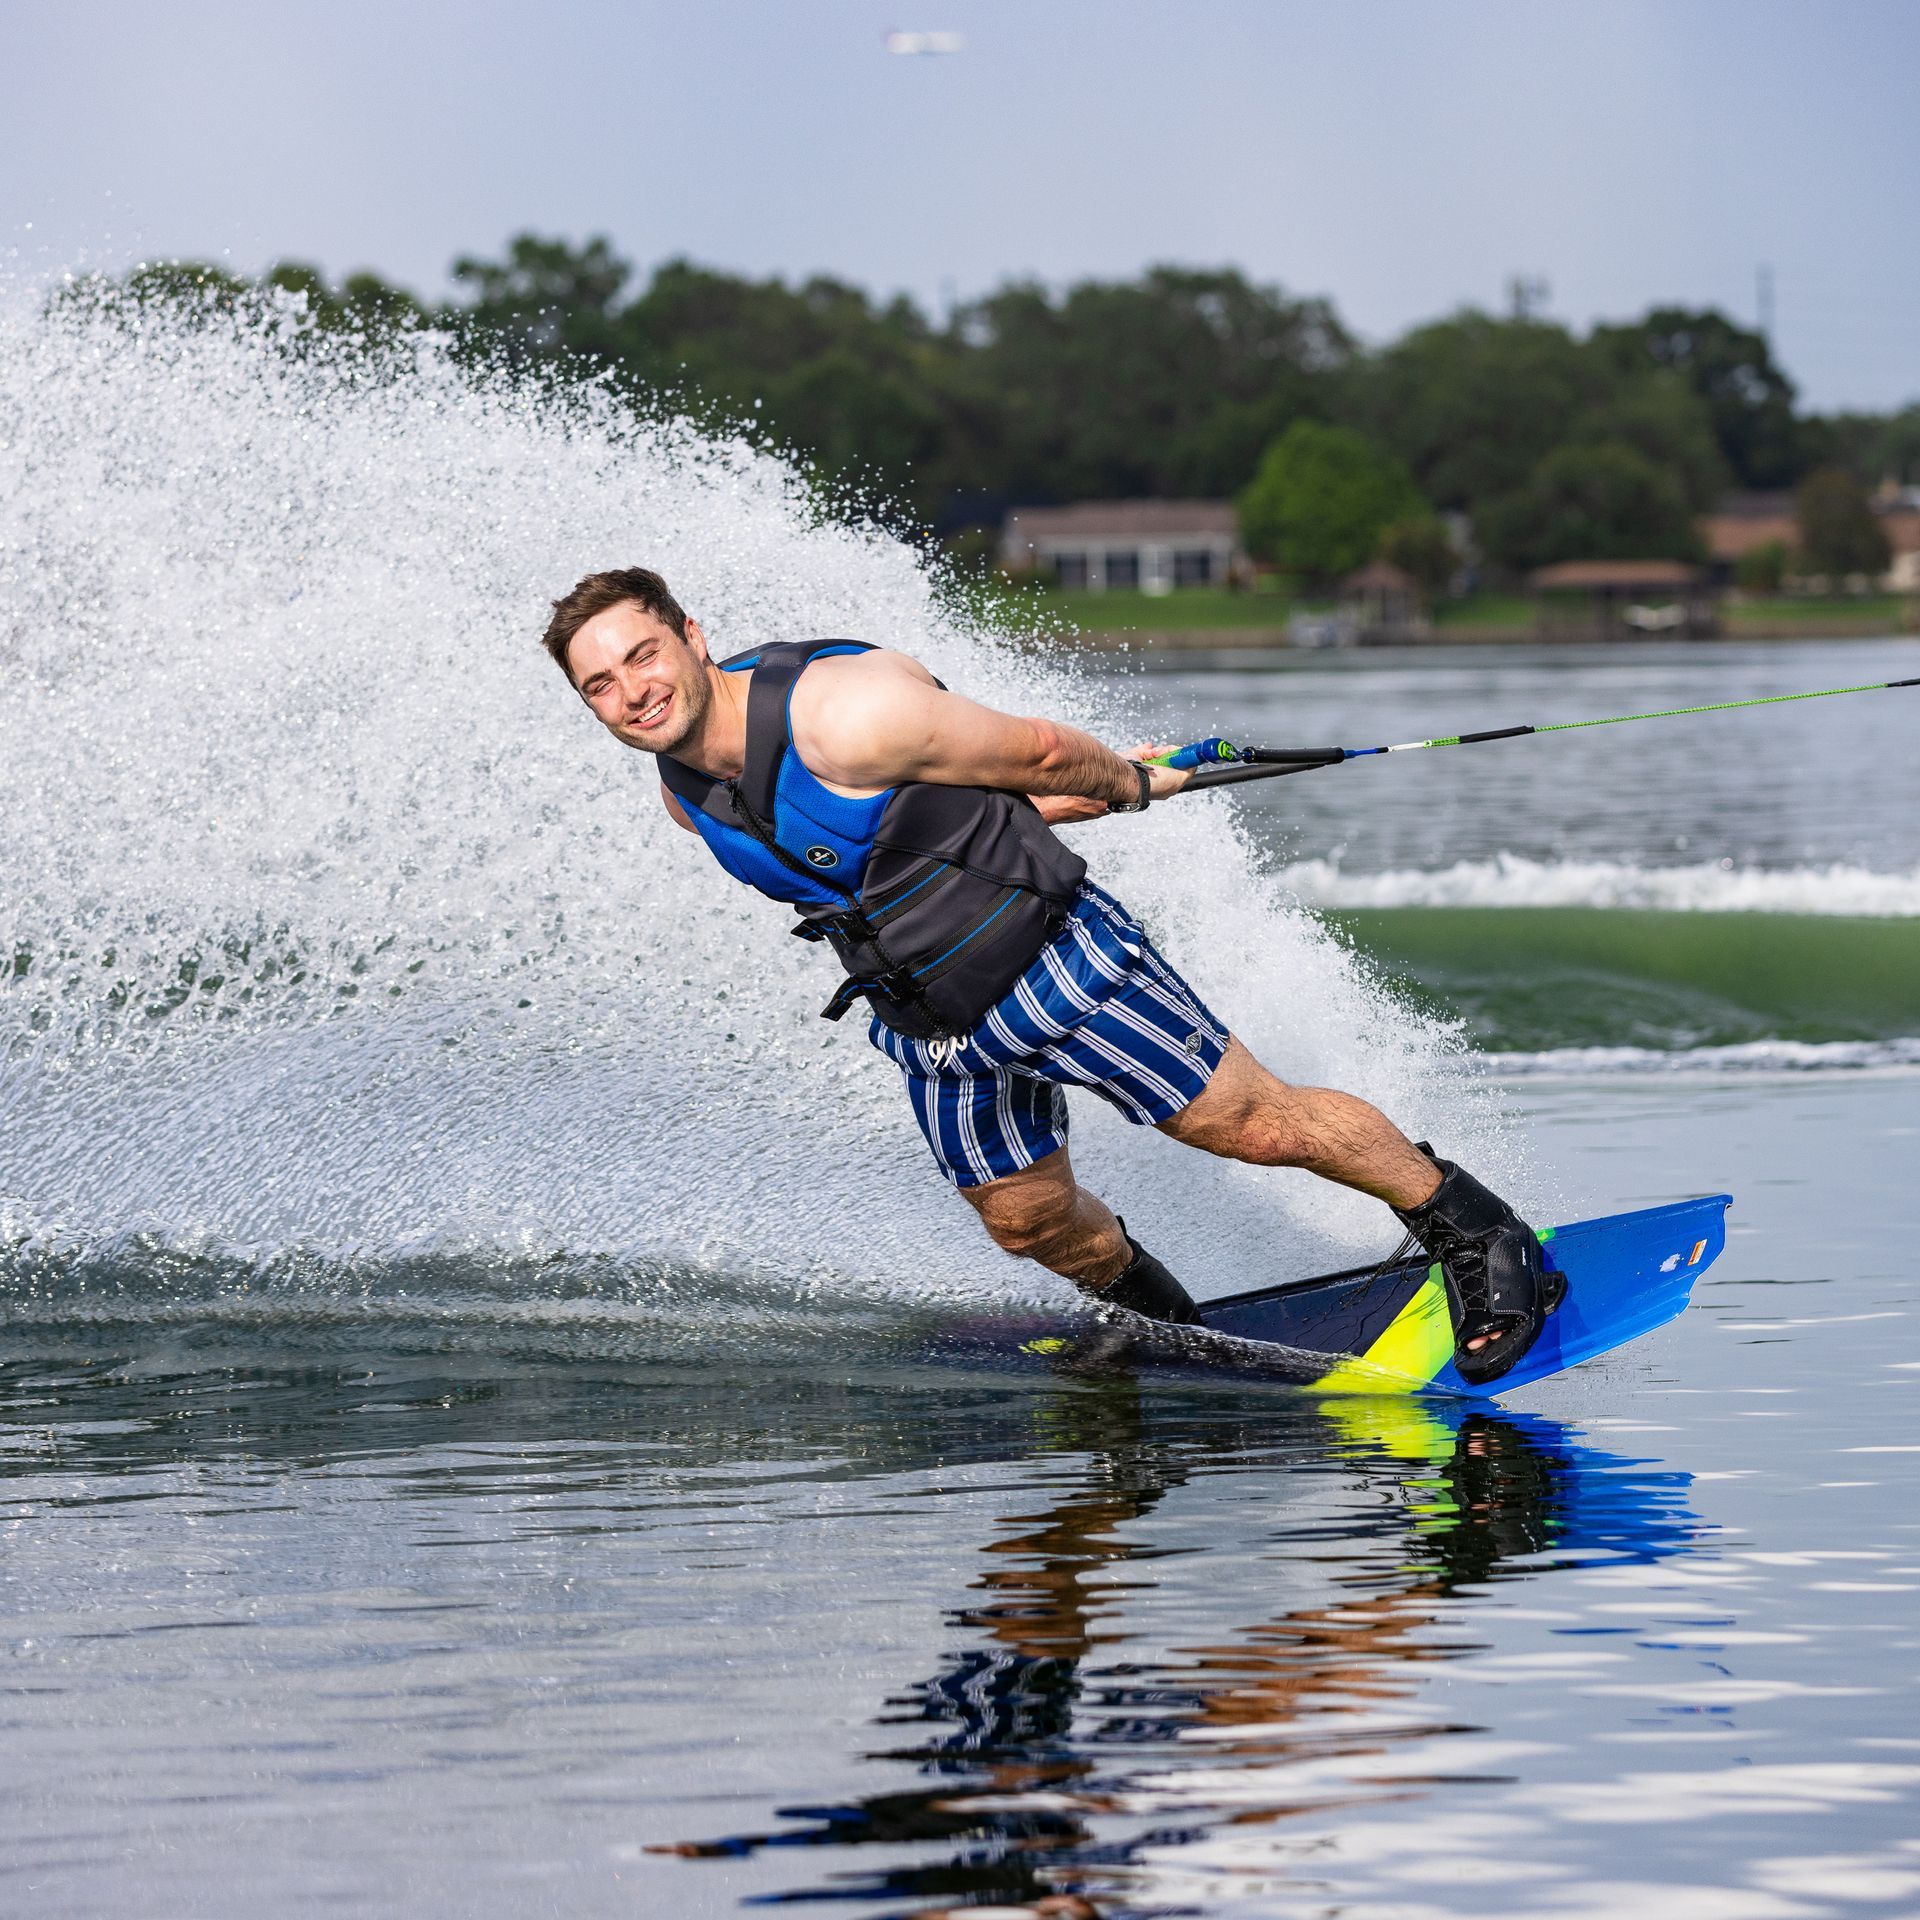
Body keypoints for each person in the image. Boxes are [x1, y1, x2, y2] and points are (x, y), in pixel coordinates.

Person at [541, 566, 1561, 1383]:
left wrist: (1125, 781)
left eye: (643, 654)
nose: (632, 690)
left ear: (692, 634)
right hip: (932, 1027)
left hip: (1050, 955)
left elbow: (1032, 752)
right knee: (1025, 1220)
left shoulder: (843, 713)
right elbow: (897, 835)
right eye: (601, 684)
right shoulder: (684, 791)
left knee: (1250, 1124)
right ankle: (1167, 1328)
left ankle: (1480, 1233)